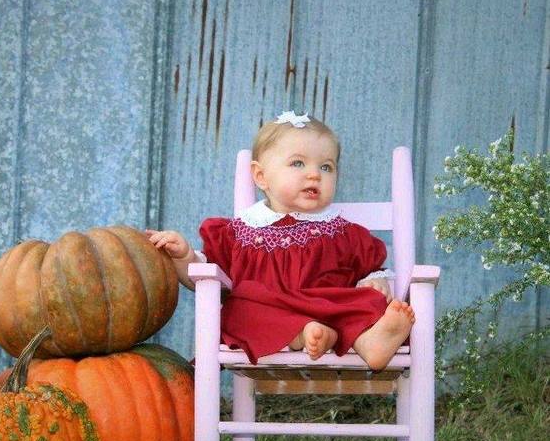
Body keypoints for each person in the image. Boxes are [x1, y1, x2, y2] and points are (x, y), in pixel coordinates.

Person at [146, 111, 415, 371]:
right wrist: (185, 258)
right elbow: (208, 276)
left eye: (326, 167)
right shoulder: (239, 231)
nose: (314, 174)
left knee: (367, 299)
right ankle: (306, 333)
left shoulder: (342, 231)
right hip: (269, 312)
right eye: (298, 163)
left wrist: (376, 279)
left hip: (327, 307)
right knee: (239, 310)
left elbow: (370, 267)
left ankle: (369, 342)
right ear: (261, 176)